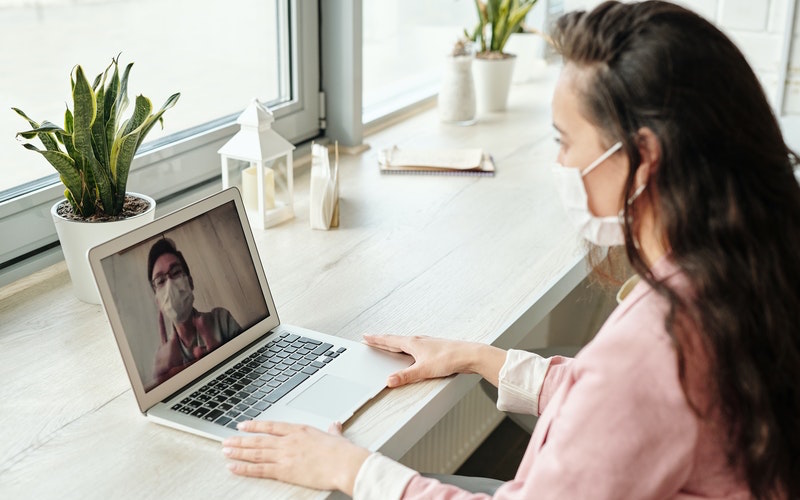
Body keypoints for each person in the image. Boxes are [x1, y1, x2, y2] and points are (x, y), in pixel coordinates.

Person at [220, 1, 800, 498]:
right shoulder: (744, 271)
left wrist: (351, 469)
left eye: (565, 142)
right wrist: (481, 358)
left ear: (643, 159)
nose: (559, 165)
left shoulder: (657, 344)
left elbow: (628, 391)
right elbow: (626, 412)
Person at [148, 238, 242, 386]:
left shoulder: (221, 320)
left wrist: (222, 359)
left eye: (176, 272)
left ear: (190, 282)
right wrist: (161, 382)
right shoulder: (163, 360)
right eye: (160, 281)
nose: (170, 284)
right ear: (158, 300)